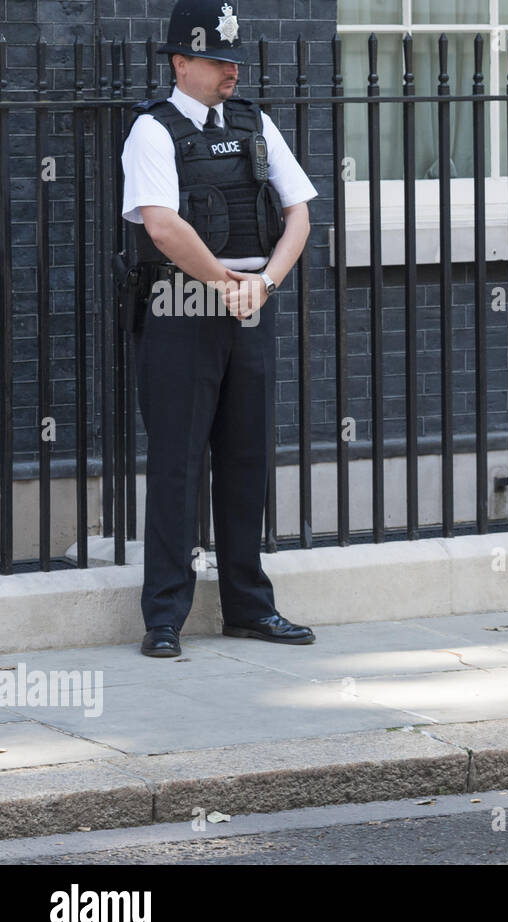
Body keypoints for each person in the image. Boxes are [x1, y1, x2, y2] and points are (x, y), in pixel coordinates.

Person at [122, 0, 318, 658]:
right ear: (181, 63)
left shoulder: (254, 122)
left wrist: (263, 283)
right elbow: (161, 224)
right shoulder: (154, 131)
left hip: (249, 303)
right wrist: (224, 283)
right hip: (182, 307)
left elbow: (299, 215)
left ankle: (248, 607)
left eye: (234, 58)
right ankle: (165, 617)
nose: (231, 70)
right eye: (216, 59)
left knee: (246, 458)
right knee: (177, 462)